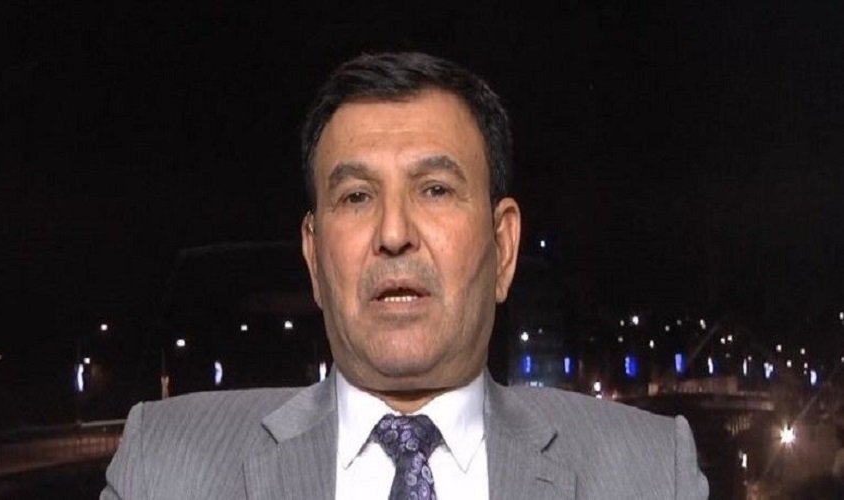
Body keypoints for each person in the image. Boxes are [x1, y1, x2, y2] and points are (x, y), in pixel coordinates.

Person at [102, 52, 708, 499]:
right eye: (357, 196)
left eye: (435, 189)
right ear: (313, 257)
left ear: (503, 246)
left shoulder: (650, 472)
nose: (394, 232)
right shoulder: (166, 466)